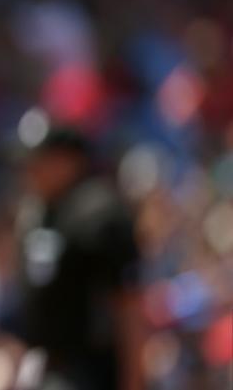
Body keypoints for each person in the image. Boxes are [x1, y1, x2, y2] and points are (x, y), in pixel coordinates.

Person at [13, 128, 143, 390]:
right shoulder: (40, 211)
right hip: (48, 364)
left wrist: (134, 380)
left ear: (69, 161)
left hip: (90, 369)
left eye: (40, 161)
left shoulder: (100, 213)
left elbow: (127, 306)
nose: (30, 170)